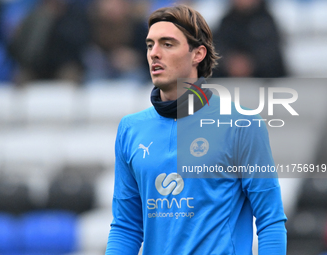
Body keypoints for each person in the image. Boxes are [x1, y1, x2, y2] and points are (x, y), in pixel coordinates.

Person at [106, 4, 287, 255]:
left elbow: (271, 221)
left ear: (197, 54)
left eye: (167, 44)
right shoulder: (130, 129)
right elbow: (126, 226)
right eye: (150, 45)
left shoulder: (241, 124)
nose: (154, 53)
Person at [212, 0, 287, 77]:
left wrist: (251, 64)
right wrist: (229, 62)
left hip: (264, 82)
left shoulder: (267, 22)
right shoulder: (226, 23)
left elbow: (272, 53)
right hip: (228, 82)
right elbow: (217, 47)